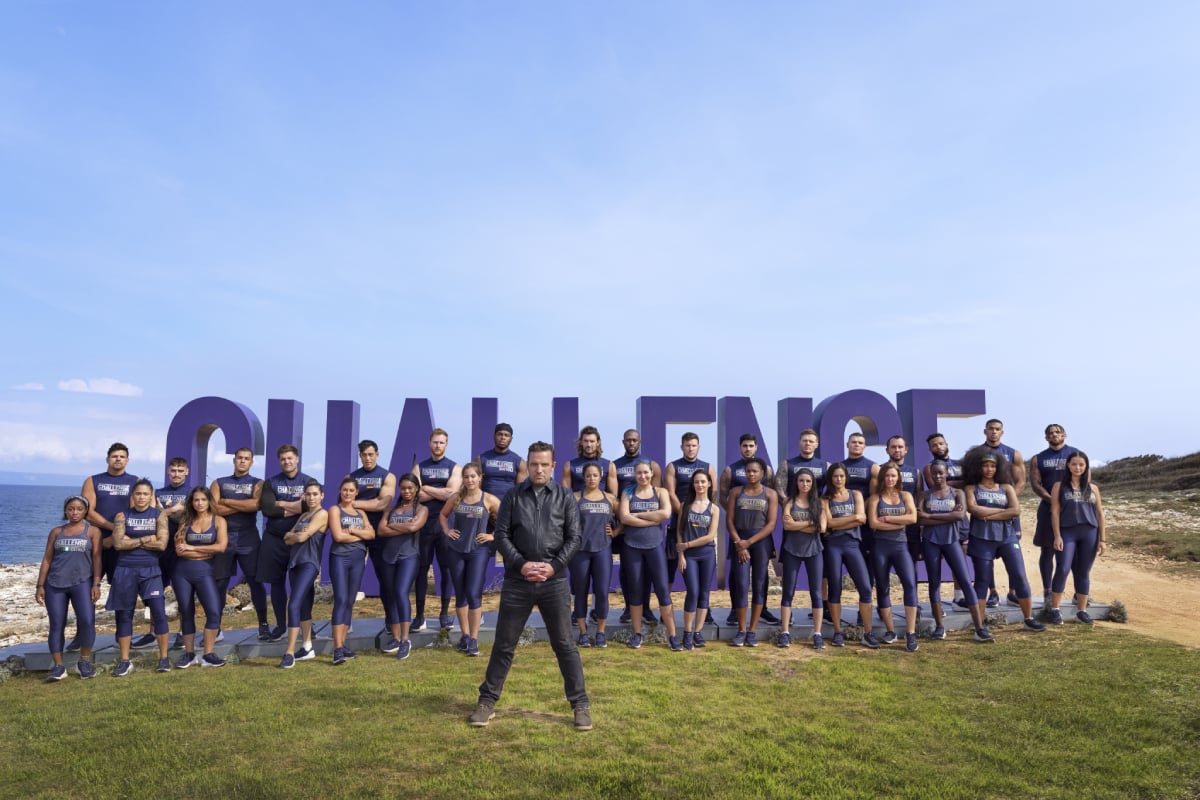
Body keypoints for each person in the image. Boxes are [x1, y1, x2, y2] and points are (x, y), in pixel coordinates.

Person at [470, 441, 591, 731]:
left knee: (565, 645)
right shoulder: (513, 496)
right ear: (528, 465)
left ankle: (581, 705)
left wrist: (554, 566)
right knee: (504, 644)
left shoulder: (565, 497)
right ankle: (486, 702)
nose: (539, 469)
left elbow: (574, 537)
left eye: (544, 464)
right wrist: (522, 564)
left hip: (554, 582)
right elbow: (501, 535)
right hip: (518, 581)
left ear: (553, 466)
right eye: (534, 464)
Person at [963, 448, 1045, 638]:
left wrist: (988, 514)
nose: (989, 469)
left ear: (998, 468)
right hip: (981, 537)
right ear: (978, 468)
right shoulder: (971, 488)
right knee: (982, 581)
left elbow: (1015, 510)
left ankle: (1028, 619)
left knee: (1019, 576)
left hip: (1007, 536)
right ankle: (980, 626)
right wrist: (1002, 512)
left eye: (993, 466)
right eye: (985, 466)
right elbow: (974, 510)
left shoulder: (1006, 487)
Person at [918, 460, 988, 640]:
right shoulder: (925, 495)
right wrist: (947, 516)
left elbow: (959, 515)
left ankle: (979, 627)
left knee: (965, 581)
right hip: (931, 542)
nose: (937, 476)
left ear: (947, 473)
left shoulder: (957, 493)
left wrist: (930, 515)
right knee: (934, 583)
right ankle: (939, 627)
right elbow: (920, 520)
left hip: (951, 541)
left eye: (941, 473)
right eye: (934, 473)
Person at [107, 479, 171, 675]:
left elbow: (162, 545)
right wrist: (146, 538)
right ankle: (125, 661)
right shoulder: (122, 516)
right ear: (132, 496)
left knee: (159, 612)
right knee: (125, 615)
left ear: (151, 496)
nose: (141, 497)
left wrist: (131, 540)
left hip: (150, 570)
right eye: (138, 494)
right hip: (125, 570)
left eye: (145, 494)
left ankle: (164, 658)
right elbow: (118, 544)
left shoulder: (159, 515)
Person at [35, 496, 102, 681]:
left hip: (82, 583)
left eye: (79, 509)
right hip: (55, 584)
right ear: (65, 511)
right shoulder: (56, 532)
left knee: (87, 621)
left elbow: (97, 559)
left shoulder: (93, 531)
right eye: (71, 509)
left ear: (85, 511)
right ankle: (58, 667)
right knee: (57, 624)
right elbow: (47, 559)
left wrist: (96, 583)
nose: (74, 512)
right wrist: (40, 585)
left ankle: (84, 662)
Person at [619, 460, 681, 650]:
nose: (643, 476)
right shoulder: (628, 492)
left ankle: (672, 636)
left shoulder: (660, 492)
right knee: (635, 591)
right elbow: (624, 517)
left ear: (652, 473)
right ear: (634, 474)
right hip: (632, 547)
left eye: (646, 472)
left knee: (662, 590)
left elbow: (665, 514)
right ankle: (637, 634)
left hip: (654, 546)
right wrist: (650, 519)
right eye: (639, 473)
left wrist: (637, 515)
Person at [441, 463, 501, 657]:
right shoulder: (456, 498)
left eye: (473, 476)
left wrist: (492, 536)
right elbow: (443, 515)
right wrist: (447, 531)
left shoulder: (489, 499)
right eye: (466, 477)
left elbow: (506, 521)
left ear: (480, 477)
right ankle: (465, 636)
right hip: (456, 550)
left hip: (478, 551)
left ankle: (474, 639)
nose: (470, 480)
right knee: (460, 594)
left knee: (474, 594)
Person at [721, 435, 779, 626]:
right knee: (738, 576)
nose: (748, 448)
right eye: (744, 445)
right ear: (740, 447)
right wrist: (738, 514)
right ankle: (735, 610)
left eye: (751, 445)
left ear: (756, 447)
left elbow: (770, 500)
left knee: (761, 577)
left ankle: (763, 610)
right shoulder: (730, 470)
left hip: (760, 535)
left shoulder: (767, 471)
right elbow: (723, 497)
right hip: (739, 532)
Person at [658, 431, 716, 624]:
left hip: (701, 526)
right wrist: (685, 514)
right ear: (682, 447)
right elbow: (670, 493)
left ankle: (704, 610)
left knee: (702, 577)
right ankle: (665, 610)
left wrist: (699, 513)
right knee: (670, 569)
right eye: (687, 445)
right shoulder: (673, 466)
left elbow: (714, 493)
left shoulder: (707, 467)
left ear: (698, 447)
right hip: (678, 523)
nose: (690, 448)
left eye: (693, 445)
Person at [211, 448, 269, 639]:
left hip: (248, 538)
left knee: (255, 582)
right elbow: (213, 509)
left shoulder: (257, 483)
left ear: (252, 462)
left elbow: (256, 505)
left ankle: (263, 625)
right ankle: (215, 628)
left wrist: (226, 501)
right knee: (220, 584)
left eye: (246, 459)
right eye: (240, 458)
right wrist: (243, 505)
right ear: (234, 460)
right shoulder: (219, 482)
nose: (242, 461)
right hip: (223, 537)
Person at [259, 445, 314, 641]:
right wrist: (296, 506)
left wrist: (282, 503)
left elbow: (310, 506)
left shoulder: (309, 482)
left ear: (297, 459)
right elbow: (267, 509)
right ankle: (282, 626)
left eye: (290, 458)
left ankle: (306, 625)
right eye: (283, 459)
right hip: (274, 539)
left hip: (299, 541)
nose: (287, 462)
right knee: (276, 583)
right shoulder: (271, 482)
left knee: (303, 584)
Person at [820, 463, 878, 649]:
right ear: (830, 479)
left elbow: (863, 518)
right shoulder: (825, 499)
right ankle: (838, 632)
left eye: (841, 476)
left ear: (846, 477)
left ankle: (868, 633)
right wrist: (853, 518)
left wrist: (839, 522)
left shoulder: (856, 495)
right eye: (835, 476)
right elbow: (829, 523)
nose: (838, 479)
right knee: (835, 589)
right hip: (833, 546)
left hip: (853, 545)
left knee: (865, 588)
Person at [171, 486, 228, 669]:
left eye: (203, 500)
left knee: (213, 612)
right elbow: (180, 551)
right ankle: (189, 654)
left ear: (209, 501)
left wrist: (193, 548)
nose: (199, 503)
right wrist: (206, 552)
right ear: (192, 502)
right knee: (186, 612)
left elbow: (221, 547)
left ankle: (208, 655)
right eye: (196, 500)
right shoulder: (186, 520)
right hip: (182, 572)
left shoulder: (219, 521)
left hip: (205, 571)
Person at [866, 464, 921, 652]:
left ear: (898, 478)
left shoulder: (905, 496)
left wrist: (889, 519)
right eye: (887, 476)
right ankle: (890, 631)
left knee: (909, 584)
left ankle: (910, 633)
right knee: (882, 587)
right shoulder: (875, 498)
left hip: (900, 546)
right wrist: (900, 522)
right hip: (880, 547)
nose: (890, 479)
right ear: (882, 478)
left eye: (893, 476)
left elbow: (912, 518)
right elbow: (873, 523)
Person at [350, 440, 398, 650]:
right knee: (350, 579)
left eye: (371, 454)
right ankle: (344, 621)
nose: (368, 458)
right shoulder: (352, 477)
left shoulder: (387, 476)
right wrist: (368, 504)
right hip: (357, 532)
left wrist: (355, 503)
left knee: (386, 580)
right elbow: (343, 501)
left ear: (377, 454)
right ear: (360, 456)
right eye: (364, 455)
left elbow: (383, 503)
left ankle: (391, 620)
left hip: (380, 533)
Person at [1048, 451, 1106, 625]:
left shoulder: (1093, 488)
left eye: (1081, 464)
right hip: (1067, 532)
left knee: (1083, 572)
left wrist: (1103, 540)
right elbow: (1055, 512)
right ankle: (1054, 609)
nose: (1077, 468)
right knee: (1063, 568)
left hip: (1089, 532)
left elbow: (1100, 514)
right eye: (1074, 464)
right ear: (1068, 465)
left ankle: (1082, 611)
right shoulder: (1059, 486)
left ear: (1086, 467)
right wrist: (1057, 535)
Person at [413, 428, 462, 632]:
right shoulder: (419, 467)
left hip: (445, 525)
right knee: (421, 570)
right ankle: (420, 616)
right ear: (429, 443)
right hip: (423, 525)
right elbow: (415, 494)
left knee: (446, 570)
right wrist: (440, 492)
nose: (438, 445)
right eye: (435, 442)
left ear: (446, 444)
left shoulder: (455, 467)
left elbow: (452, 494)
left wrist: (426, 488)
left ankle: (444, 614)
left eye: (441, 442)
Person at [375, 475, 428, 661]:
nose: (406, 491)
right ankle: (396, 638)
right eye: (403, 488)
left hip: (409, 556)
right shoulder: (391, 509)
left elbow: (414, 527)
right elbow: (381, 530)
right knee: (390, 595)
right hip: (388, 557)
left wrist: (393, 525)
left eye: (410, 488)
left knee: (401, 592)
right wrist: (403, 525)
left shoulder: (421, 509)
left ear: (416, 489)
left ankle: (406, 640)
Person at [612, 428, 662, 623]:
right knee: (628, 570)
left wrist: (649, 518)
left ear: (639, 442)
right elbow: (614, 497)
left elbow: (657, 495)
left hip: (648, 524)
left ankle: (646, 608)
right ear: (623, 442)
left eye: (634, 440)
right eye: (628, 440)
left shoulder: (651, 465)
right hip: (626, 524)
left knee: (647, 570)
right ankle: (629, 608)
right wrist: (623, 519)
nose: (631, 443)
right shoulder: (615, 465)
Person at [279, 480, 328, 668]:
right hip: (295, 563)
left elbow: (301, 537)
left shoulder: (322, 514)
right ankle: (307, 648)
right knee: (305, 607)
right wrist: (295, 535)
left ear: (322, 496)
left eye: (315, 494)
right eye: (308, 494)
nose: (311, 497)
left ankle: (289, 652)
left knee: (293, 605)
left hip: (309, 564)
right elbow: (287, 538)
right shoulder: (303, 516)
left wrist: (297, 535)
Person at [979, 419, 1027, 607]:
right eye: (991, 429)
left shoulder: (1013, 453)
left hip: (1008, 509)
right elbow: (971, 481)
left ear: (1002, 432)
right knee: (986, 553)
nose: (994, 432)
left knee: (1012, 553)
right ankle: (992, 593)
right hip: (984, 508)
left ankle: (1013, 592)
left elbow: (1021, 481)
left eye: (997, 429)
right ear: (985, 431)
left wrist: (1008, 499)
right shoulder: (977, 453)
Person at [571, 463, 619, 649]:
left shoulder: (610, 498)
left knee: (602, 592)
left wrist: (616, 531)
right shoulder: (575, 497)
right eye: (588, 475)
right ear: (583, 478)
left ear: (601, 477)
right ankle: (583, 633)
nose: (591, 478)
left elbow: (624, 516)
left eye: (595, 475)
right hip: (580, 552)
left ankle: (600, 633)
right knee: (580, 592)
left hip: (602, 550)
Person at [1030, 424, 1079, 604]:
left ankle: (1079, 592)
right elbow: (1036, 484)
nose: (1054, 435)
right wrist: (1052, 499)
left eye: (1057, 432)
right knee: (1047, 550)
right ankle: (1048, 590)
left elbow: (1084, 479)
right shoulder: (1038, 458)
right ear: (1046, 438)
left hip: (1071, 508)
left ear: (1064, 435)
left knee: (1073, 551)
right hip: (1048, 507)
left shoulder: (1075, 454)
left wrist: (1071, 499)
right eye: (1050, 433)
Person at [328, 477, 375, 665]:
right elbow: (338, 536)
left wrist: (353, 531)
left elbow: (372, 534)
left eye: (351, 490)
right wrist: (361, 535)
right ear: (340, 491)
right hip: (340, 558)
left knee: (349, 601)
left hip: (358, 560)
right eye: (344, 490)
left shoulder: (360, 512)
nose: (347, 493)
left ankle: (343, 644)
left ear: (357, 493)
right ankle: (337, 649)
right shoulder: (334, 510)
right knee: (340, 599)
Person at [923, 433, 971, 609]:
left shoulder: (960, 464)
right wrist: (959, 484)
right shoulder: (928, 467)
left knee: (961, 557)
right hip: (939, 517)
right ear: (930, 449)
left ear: (946, 444)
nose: (938, 447)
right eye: (934, 445)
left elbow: (968, 484)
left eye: (940, 443)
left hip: (960, 518)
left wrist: (954, 485)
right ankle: (937, 604)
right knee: (937, 562)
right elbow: (937, 487)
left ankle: (958, 597)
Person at [779, 469, 825, 650]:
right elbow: (786, 525)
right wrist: (810, 523)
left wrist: (796, 524)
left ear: (813, 483)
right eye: (801, 481)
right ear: (796, 483)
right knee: (788, 592)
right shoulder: (789, 502)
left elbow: (821, 528)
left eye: (808, 481)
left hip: (814, 551)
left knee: (816, 593)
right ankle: (784, 632)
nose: (805, 484)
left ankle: (817, 633)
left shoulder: (818, 503)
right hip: (792, 550)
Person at [676, 469, 719, 650]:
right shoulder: (685, 505)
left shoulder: (714, 509)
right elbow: (679, 531)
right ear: (692, 485)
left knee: (704, 593)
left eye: (703, 481)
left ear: (709, 484)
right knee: (692, 592)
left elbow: (710, 536)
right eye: (696, 482)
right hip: (689, 556)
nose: (699, 485)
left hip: (707, 554)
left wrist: (687, 545)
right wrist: (681, 555)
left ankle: (698, 632)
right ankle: (687, 632)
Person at [155, 458, 190, 649]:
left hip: (181, 548)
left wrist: (164, 511)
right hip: (160, 549)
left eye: (180, 470)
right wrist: (175, 509)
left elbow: (193, 513)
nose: (176, 474)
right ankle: (154, 632)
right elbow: (153, 514)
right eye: (173, 470)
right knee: (155, 592)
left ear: (187, 472)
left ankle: (183, 633)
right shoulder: (158, 493)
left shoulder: (192, 492)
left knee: (183, 593)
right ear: (168, 472)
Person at [475, 423, 527, 500]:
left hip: (509, 503)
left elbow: (521, 491)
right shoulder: (480, 459)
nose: (503, 437)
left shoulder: (519, 462)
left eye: (506, 435)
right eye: (500, 434)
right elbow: (475, 487)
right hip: (486, 503)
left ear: (511, 439)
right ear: (494, 436)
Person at [562, 425, 618, 495]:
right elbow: (565, 496)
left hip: (602, 501)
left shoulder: (609, 465)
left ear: (598, 442)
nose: (588, 444)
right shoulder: (570, 465)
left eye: (592, 441)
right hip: (578, 501)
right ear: (581, 442)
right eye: (586, 441)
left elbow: (613, 496)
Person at [777, 429, 829, 496]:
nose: (807, 443)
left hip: (817, 502)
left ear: (816, 445)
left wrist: (824, 501)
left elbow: (834, 489)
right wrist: (786, 501)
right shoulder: (787, 465)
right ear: (799, 443)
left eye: (811, 441)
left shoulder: (826, 466)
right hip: (793, 502)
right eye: (804, 441)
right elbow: (779, 488)